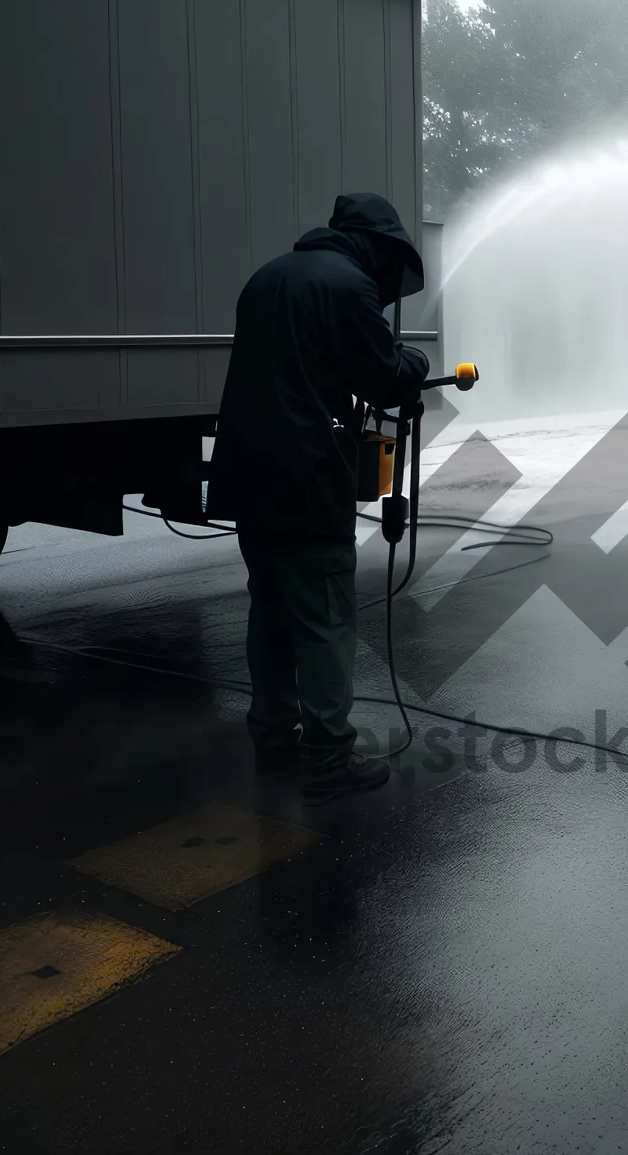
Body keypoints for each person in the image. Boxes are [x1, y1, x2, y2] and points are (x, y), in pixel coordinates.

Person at [206, 193, 430, 805]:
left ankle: (273, 741)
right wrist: (414, 362)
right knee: (325, 617)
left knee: (271, 610)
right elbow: (383, 376)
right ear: (378, 246)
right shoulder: (347, 286)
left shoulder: (267, 277)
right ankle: (328, 757)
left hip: (249, 477)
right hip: (307, 477)